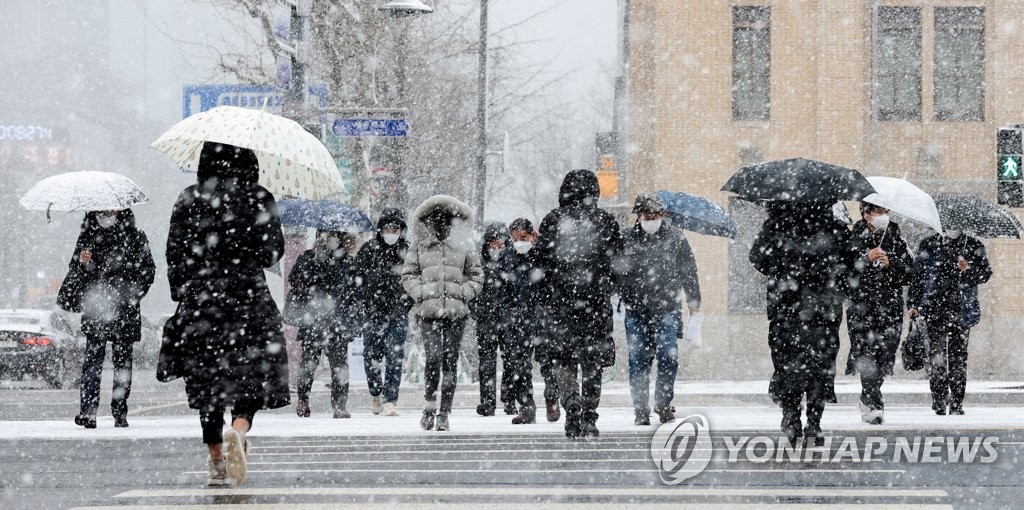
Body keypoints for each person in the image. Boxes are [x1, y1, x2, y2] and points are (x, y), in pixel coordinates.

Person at [165, 142, 290, 487]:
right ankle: (239, 427)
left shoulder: (189, 198)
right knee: (250, 372)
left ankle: (216, 457)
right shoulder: (259, 197)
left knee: (208, 381)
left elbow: (174, 251)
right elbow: (271, 253)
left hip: (202, 301)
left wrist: (183, 291)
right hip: (247, 298)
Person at [749, 201, 855, 447]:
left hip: (789, 307)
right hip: (821, 310)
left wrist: (785, 270)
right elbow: (849, 265)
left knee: (788, 364)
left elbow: (758, 258)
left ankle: (792, 415)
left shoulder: (777, 225)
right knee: (820, 366)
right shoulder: (834, 228)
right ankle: (813, 422)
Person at [535, 169, 622, 439]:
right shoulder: (605, 221)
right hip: (595, 305)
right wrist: (606, 285)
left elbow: (539, 264)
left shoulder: (552, 221)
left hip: (559, 304)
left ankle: (571, 400)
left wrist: (546, 294)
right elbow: (618, 263)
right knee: (592, 361)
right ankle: (590, 414)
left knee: (563, 358)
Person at [58, 209, 155, 429]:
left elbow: (148, 271)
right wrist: (83, 265)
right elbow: (75, 273)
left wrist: (130, 294)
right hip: (96, 309)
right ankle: (88, 411)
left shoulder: (135, 236)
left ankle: (119, 410)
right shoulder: (87, 238)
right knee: (93, 361)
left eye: (110, 209)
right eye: (101, 210)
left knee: (122, 363)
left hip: (124, 310)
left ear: (122, 211)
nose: (105, 214)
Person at [617, 193, 701, 426]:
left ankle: (663, 404)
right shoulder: (626, 239)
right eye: (645, 215)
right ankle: (641, 409)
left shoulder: (675, 238)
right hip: (636, 309)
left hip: (667, 309)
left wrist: (694, 303)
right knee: (638, 360)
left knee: (668, 357)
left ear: (663, 215)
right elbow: (616, 271)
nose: (649, 219)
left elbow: (689, 271)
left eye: (654, 215)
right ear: (638, 216)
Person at [401, 195, 484, 432]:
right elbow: (408, 274)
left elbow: (476, 275)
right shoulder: (419, 244)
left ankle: (444, 411)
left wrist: (462, 293)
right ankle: (429, 405)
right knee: (434, 357)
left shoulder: (464, 244)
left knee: (450, 361)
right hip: (428, 313)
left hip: (456, 313)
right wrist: (421, 292)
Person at [908, 228, 991, 416]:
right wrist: (913, 304)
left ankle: (956, 401)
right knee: (936, 358)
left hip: (961, 311)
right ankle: (938, 399)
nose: (952, 229)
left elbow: (985, 274)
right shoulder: (929, 245)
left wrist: (968, 268)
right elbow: (917, 277)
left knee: (958, 359)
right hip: (934, 309)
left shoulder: (972, 245)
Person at [845, 203, 914, 425]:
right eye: (879, 212)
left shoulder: (896, 238)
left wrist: (890, 264)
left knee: (885, 354)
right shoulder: (852, 238)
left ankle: (871, 396)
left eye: (886, 212)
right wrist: (864, 260)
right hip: (861, 308)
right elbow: (843, 272)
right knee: (866, 354)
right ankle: (872, 401)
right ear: (866, 215)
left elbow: (911, 273)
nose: (884, 216)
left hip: (890, 307)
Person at [289, 230, 362, 419]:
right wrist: (314, 267)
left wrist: (353, 318)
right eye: (327, 236)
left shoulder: (347, 261)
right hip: (313, 319)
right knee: (309, 363)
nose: (331, 239)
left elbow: (355, 290)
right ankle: (303, 400)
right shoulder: (308, 257)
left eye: (335, 235)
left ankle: (339, 405)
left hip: (337, 320)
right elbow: (294, 278)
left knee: (339, 364)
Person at [355, 208, 412, 417]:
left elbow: (415, 279)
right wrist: (364, 301)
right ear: (380, 229)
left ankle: (390, 400)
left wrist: (407, 303)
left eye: (395, 228)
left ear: (401, 230)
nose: (391, 232)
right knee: (371, 355)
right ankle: (375, 392)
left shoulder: (408, 251)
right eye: (388, 227)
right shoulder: (368, 249)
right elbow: (355, 280)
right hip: (372, 313)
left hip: (398, 313)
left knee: (395, 356)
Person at [505, 218, 556, 424]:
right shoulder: (508, 258)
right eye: (515, 238)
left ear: (532, 236)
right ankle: (526, 407)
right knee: (519, 365)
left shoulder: (544, 256)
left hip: (542, 317)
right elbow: (501, 288)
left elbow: (553, 283)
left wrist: (548, 306)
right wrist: (508, 309)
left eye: (523, 237)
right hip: (518, 318)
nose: (519, 242)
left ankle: (552, 398)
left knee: (548, 361)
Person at [471, 222, 515, 417]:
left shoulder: (513, 264)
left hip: (508, 319)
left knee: (511, 360)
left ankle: (509, 398)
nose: (496, 249)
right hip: (486, 319)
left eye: (500, 244)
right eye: (492, 244)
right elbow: (471, 290)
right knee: (487, 362)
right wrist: (477, 311)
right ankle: (487, 401)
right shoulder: (478, 265)